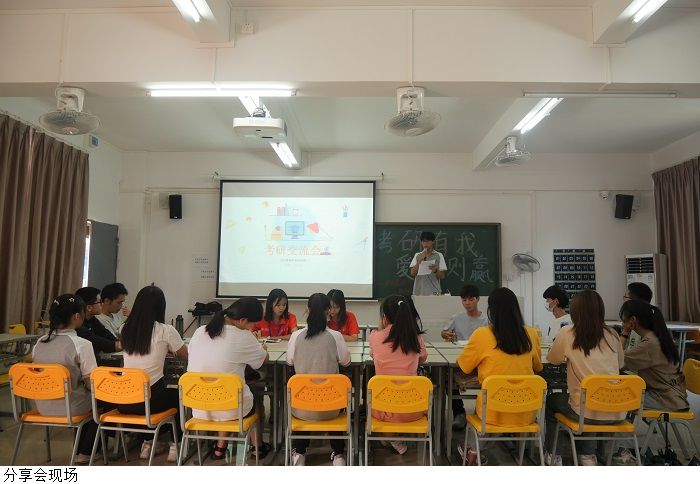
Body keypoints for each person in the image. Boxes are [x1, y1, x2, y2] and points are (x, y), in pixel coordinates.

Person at [544, 290, 625, 466]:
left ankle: (552, 454)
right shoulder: (613, 334)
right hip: (617, 409)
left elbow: (553, 359)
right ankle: (587, 456)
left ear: (575, 311)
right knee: (588, 400)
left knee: (553, 401)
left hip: (585, 410)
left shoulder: (567, 332)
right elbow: (620, 364)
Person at [187, 297, 270, 460]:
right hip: (230, 407)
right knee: (250, 398)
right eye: (253, 324)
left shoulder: (200, 331)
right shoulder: (243, 336)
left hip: (199, 407)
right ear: (243, 320)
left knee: (225, 391)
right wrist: (262, 347)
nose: (253, 327)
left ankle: (220, 447)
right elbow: (262, 361)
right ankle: (258, 447)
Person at [614, 299, 689, 464]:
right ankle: (623, 446)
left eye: (623, 320)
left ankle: (623, 448)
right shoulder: (658, 336)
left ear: (633, 321)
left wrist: (624, 333)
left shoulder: (650, 344)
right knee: (623, 395)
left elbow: (617, 361)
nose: (622, 323)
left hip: (665, 398)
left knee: (617, 402)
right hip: (672, 394)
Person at [118, 285, 188, 462]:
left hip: (125, 400)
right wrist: (169, 349)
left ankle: (147, 443)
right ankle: (176, 445)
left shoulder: (124, 328)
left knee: (152, 396)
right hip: (150, 400)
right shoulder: (166, 330)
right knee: (178, 396)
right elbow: (185, 355)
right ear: (160, 307)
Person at [456, 287, 543, 427]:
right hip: (525, 414)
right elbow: (538, 367)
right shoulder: (531, 334)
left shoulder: (481, 334)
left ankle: (478, 441)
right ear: (516, 309)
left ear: (491, 310)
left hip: (491, 414)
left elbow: (464, 367)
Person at [31, 294, 98, 464]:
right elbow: (92, 385)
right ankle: (85, 452)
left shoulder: (39, 343)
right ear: (77, 316)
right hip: (71, 408)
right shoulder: (82, 344)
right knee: (103, 401)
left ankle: (81, 449)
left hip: (42, 407)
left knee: (83, 396)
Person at [286, 293, 351, 466]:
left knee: (304, 395)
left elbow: (289, 361)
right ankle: (339, 454)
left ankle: (299, 453)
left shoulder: (296, 336)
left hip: (302, 406)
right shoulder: (335, 336)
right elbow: (346, 361)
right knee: (335, 395)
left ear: (307, 310)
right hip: (331, 407)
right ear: (329, 311)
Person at [369, 295, 428, 455]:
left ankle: (390, 437)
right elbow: (423, 357)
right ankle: (392, 438)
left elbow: (373, 355)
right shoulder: (416, 337)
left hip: (383, 407)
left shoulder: (375, 336)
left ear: (385, 317)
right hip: (414, 408)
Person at [441, 284, 488, 430]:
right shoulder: (457, 318)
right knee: (446, 377)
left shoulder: (486, 321)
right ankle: (459, 412)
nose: (467, 303)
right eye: (464, 300)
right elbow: (444, 333)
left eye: (471, 299)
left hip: (480, 362)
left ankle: (482, 411)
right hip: (462, 359)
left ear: (478, 299)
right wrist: (446, 335)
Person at [75, 287, 120, 362]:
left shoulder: (92, 319)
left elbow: (106, 334)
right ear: (89, 307)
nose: (102, 304)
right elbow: (97, 342)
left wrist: (118, 342)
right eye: (99, 302)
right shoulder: (78, 324)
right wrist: (120, 345)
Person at [409, 231, 447, 296]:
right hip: (419, 291)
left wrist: (435, 270)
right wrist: (419, 261)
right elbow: (412, 273)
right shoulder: (417, 255)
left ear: (433, 241)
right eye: (423, 241)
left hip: (435, 292)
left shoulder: (439, 255)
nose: (425, 243)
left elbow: (442, 276)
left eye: (427, 241)